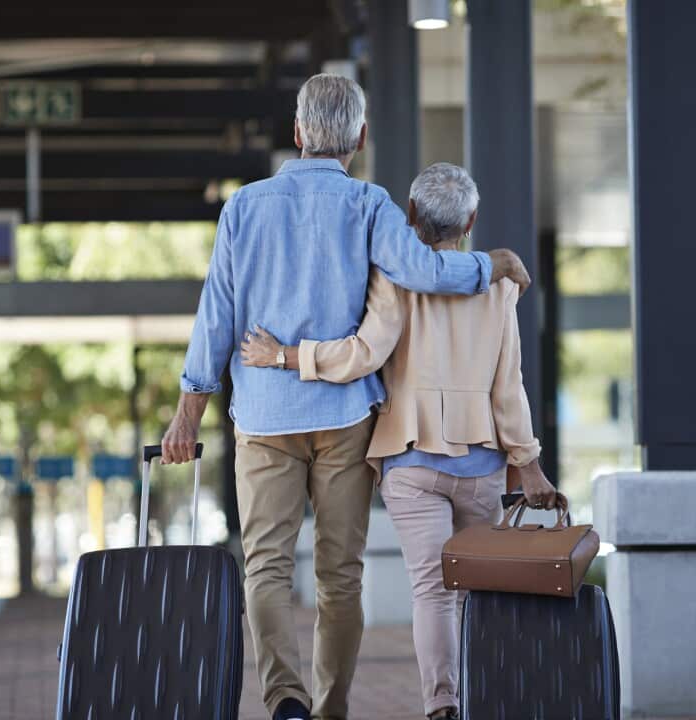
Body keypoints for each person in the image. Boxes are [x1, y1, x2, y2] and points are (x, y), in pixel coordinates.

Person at [159, 75, 531, 720]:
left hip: (265, 417)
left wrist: (188, 411)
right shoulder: (369, 204)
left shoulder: (243, 207)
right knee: (340, 575)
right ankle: (331, 709)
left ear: (299, 134)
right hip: (346, 418)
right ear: (359, 138)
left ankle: (286, 701)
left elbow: (214, 314)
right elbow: (421, 271)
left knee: (267, 569)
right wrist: (489, 264)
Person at [240, 162, 556, 720]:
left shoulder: (393, 277)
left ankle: (442, 705)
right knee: (476, 591)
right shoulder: (500, 287)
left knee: (432, 590)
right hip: (481, 463)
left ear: (409, 216)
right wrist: (527, 461)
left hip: (410, 461)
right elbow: (510, 386)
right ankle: (482, 695)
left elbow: (363, 354)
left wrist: (288, 356)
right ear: (472, 221)